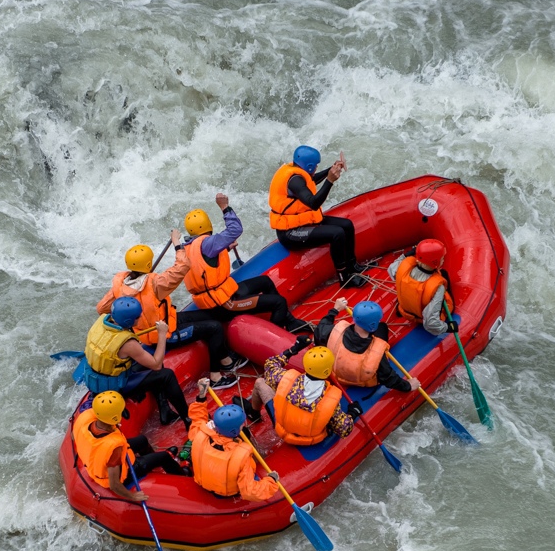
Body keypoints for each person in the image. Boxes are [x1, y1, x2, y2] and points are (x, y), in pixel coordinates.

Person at [94, 229, 242, 389]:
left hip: (153, 328)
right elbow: (183, 266)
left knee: (207, 316)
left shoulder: (120, 284)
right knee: (215, 328)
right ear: (149, 264)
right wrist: (177, 242)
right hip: (165, 334)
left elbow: (102, 308)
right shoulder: (157, 284)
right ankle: (216, 377)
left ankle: (225, 359)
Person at [180, 193, 312, 334]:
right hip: (225, 304)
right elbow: (235, 229)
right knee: (279, 302)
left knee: (265, 281)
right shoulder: (208, 243)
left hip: (217, 298)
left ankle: (291, 322)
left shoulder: (187, 248)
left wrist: (226, 248)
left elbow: (203, 266)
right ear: (208, 225)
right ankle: (276, 337)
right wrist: (225, 207)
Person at [77, 296, 191, 426]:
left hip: (99, 381)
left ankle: (165, 411)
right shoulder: (128, 344)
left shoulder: (101, 322)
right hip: (116, 386)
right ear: (128, 321)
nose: (140, 317)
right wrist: (161, 334)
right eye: (137, 317)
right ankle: (188, 419)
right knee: (166, 375)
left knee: (149, 364)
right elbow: (156, 365)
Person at [269, 145, 367, 288]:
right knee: (337, 234)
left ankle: (353, 266)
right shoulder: (294, 181)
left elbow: (311, 181)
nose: (316, 168)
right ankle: (344, 278)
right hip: (290, 232)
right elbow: (313, 203)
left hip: (302, 221)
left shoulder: (297, 173)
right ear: (309, 166)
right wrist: (330, 181)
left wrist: (330, 170)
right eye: (315, 166)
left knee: (346, 225)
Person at [72, 391, 190, 502]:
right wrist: (133, 496)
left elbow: (74, 436)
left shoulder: (85, 418)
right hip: (120, 473)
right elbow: (114, 484)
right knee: (164, 457)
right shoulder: (114, 447)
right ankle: (183, 474)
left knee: (142, 440)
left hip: (98, 456)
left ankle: (154, 465)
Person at [244, 339, 356, 447]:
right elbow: (344, 429)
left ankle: (254, 414)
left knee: (260, 382)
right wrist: (353, 413)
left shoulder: (285, 378)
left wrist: (294, 349)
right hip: (308, 438)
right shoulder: (330, 400)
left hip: (283, 427)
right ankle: (254, 414)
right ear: (327, 371)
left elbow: (270, 365)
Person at [186, 378, 281, 501]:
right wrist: (271, 480)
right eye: (242, 423)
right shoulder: (241, 456)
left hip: (204, 480)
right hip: (226, 492)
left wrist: (201, 396)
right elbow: (250, 492)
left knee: (244, 432)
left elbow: (197, 418)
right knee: (245, 433)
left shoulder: (200, 433)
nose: (243, 424)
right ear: (233, 432)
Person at [315, 298, 419, 393]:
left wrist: (335, 310)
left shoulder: (333, 331)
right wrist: (408, 386)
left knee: (381, 327)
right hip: (361, 381)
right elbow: (389, 378)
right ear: (373, 326)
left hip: (335, 372)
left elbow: (321, 328)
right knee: (382, 327)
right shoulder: (377, 354)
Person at [387, 238, 460, 337]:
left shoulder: (403, 266)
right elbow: (430, 323)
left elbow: (391, 269)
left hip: (404, 310)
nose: (443, 260)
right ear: (436, 262)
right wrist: (447, 327)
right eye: (442, 258)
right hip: (420, 317)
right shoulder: (438, 287)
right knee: (444, 274)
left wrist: (407, 254)